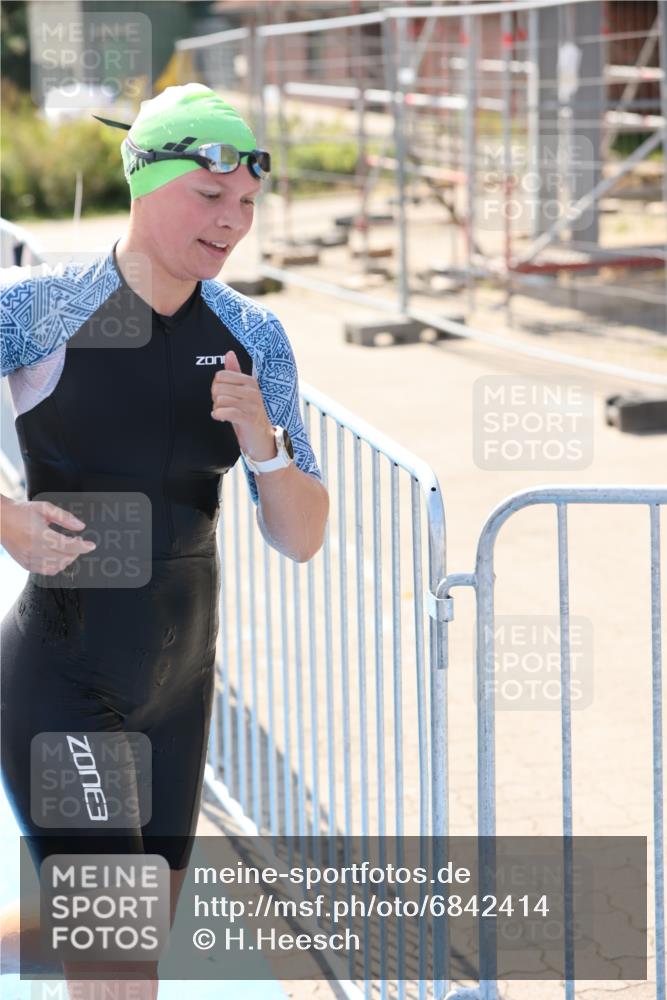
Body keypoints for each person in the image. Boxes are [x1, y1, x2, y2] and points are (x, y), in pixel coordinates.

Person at [0, 82, 329, 997]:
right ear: (144, 178)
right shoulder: (39, 308)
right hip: (64, 681)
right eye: (210, 196)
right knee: (119, 968)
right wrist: (6, 516)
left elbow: (302, 537)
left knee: (129, 950)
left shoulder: (251, 333)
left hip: (178, 694)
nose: (233, 223)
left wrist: (262, 446)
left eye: (249, 206)